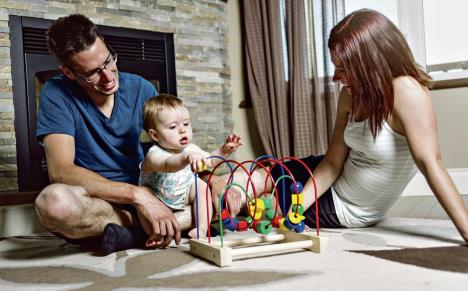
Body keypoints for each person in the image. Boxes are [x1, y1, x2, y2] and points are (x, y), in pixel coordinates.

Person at [227, 9, 468, 243]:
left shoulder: (406, 91)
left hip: (341, 205)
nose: (335, 77)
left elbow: (430, 163)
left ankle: (204, 200)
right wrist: (299, 202)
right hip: (331, 175)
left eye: (343, 68)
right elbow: (332, 163)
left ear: (370, 63)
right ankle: (207, 183)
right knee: (261, 176)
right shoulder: (349, 96)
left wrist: (466, 231)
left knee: (264, 208)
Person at [34, 14, 241, 255]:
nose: (109, 77)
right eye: (92, 73)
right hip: (102, 199)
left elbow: (175, 145)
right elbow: (61, 172)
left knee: (245, 181)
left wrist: (212, 179)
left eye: (109, 61)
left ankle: (132, 233)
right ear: (69, 73)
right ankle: (176, 222)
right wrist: (138, 197)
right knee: (53, 204)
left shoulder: (141, 88)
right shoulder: (56, 93)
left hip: (156, 189)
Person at [139, 94, 242, 244]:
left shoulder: (191, 149)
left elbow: (210, 162)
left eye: (186, 124)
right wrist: (187, 157)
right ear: (155, 135)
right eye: (173, 127)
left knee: (201, 186)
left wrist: (225, 150)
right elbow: (168, 164)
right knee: (142, 196)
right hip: (157, 197)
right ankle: (154, 234)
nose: (182, 130)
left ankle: (201, 228)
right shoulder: (153, 155)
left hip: (184, 194)